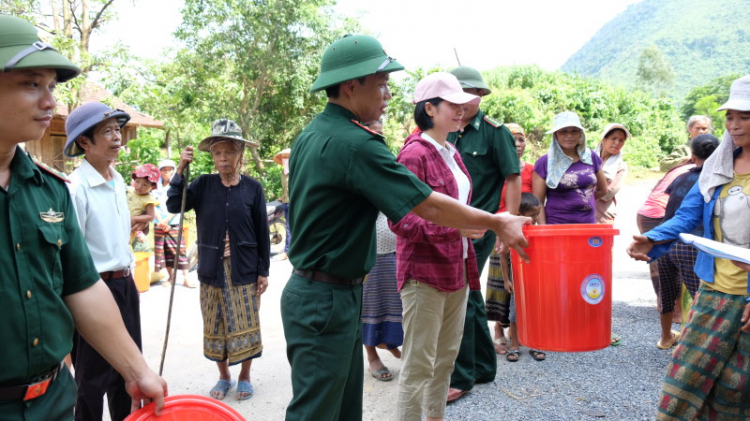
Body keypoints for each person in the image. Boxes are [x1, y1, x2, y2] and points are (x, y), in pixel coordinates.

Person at [281, 35, 530, 421]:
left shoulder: (313, 134)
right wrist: (496, 220)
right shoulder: (357, 144)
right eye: (380, 84)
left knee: (343, 408)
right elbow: (424, 205)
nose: (387, 93)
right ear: (351, 86)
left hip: (332, 290)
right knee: (316, 411)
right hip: (325, 295)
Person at [0, 15, 166, 420]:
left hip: (51, 401)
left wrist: (136, 367)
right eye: (30, 83)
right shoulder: (74, 187)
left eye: (51, 86)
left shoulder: (49, 190)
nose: (49, 101)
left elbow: (80, 284)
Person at [627, 74, 750, 420]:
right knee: (687, 376)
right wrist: (653, 238)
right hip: (713, 289)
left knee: (736, 385)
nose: (735, 125)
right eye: (730, 116)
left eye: (745, 116)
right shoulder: (717, 166)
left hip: (747, 297)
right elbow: (687, 216)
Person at [390, 72, 484, 421]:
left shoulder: (450, 152)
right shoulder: (414, 154)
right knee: (418, 365)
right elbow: (400, 219)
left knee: (445, 359)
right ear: (429, 108)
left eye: (463, 105)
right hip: (423, 274)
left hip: (456, 267)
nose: (461, 111)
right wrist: (454, 228)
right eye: (452, 105)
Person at [64, 101, 153, 421]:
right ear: (84, 142)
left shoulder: (117, 181)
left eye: (118, 129)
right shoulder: (75, 188)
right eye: (107, 131)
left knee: (128, 374)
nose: (117, 137)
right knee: (90, 379)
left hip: (125, 284)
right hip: (93, 290)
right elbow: (71, 254)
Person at [168, 119, 269, 401]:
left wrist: (263, 271)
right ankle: (224, 376)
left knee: (247, 321)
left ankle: (245, 376)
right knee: (215, 323)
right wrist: (180, 170)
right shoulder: (202, 185)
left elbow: (262, 231)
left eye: (229, 152)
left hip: (244, 268)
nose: (223, 158)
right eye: (217, 153)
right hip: (211, 268)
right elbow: (175, 205)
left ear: (240, 154)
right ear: (212, 157)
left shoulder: (253, 188)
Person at [445, 66, 521, 403]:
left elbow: (513, 178)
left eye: (473, 94)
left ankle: (462, 375)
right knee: (469, 295)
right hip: (448, 226)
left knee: (459, 296)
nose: (466, 101)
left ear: (480, 97)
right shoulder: (445, 130)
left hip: (478, 229)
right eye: (459, 95)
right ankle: (484, 365)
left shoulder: (495, 132)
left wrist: (509, 223)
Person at [653, 134, 719, 350]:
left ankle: (665, 338)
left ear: (692, 156)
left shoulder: (680, 178)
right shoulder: (715, 180)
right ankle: (697, 347)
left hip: (664, 242)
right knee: (699, 296)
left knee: (667, 292)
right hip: (692, 244)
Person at [486, 123, 533, 354]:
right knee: (500, 279)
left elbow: (537, 202)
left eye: (521, 139)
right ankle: (497, 328)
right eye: (512, 139)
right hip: (500, 227)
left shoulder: (531, 170)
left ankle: (522, 331)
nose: (517, 144)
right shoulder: (497, 168)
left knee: (524, 281)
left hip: (525, 231)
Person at [361, 120, 402, 382]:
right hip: (368, 252)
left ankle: (390, 341)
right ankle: (372, 356)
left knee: (397, 302)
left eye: (380, 129)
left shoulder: (390, 160)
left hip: (396, 249)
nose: (377, 132)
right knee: (370, 305)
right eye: (371, 128)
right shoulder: (356, 161)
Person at [532, 111, 608, 226]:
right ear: (556, 134)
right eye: (563, 131)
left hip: (587, 224)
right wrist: (543, 229)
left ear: (580, 134)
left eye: (574, 131)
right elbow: (538, 203)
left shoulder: (590, 157)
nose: (569, 136)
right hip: (557, 226)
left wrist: (583, 200)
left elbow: (603, 190)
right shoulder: (544, 162)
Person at [500, 193, 543, 362]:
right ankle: (515, 344)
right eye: (532, 215)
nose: (536, 218)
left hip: (537, 281)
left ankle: (536, 343)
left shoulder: (538, 232)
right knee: (515, 313)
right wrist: (506, 279)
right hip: (518, 281)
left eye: (537, 214)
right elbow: (503, 255)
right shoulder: (512, 233)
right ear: (518, 215)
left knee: (537, 312)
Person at [152, 159, 191, 286]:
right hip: (159, 223)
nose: (167, 172)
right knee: (164, 251)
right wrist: (161, 221)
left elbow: (180, 203)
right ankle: (171, 277)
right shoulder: (154, 187)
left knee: (180, 251)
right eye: (164, 169)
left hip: (174, 222)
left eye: (170, 169)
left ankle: (186, 278)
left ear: (174, 170)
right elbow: (151, 204)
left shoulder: (177, 186)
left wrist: (167, 219)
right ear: (160, 171)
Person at [595, 123, 631, 224]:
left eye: (621, 140)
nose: (617, 143)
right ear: (603, 140)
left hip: (603, 219)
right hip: (581, 216)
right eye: (613, 138)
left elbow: (607, 194)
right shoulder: (587, 159)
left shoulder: (621, 167)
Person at [127, 163, 160, 249]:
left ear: (152, 187)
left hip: (133, 229)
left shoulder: (148, 199)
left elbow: (151, 216)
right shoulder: (128, 191)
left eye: (145, 185)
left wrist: (135, 218)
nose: (139, 186)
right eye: (137, 182)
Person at [272, 148, 291, 261]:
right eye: (283, 158)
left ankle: (288, 252)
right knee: (289, 227)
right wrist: (282, 197)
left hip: (295, 202)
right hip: (285, 203)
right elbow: (286, 188)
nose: (285, 159)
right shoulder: (283, 173)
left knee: (290, 227)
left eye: (287, 157)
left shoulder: (296, 171)